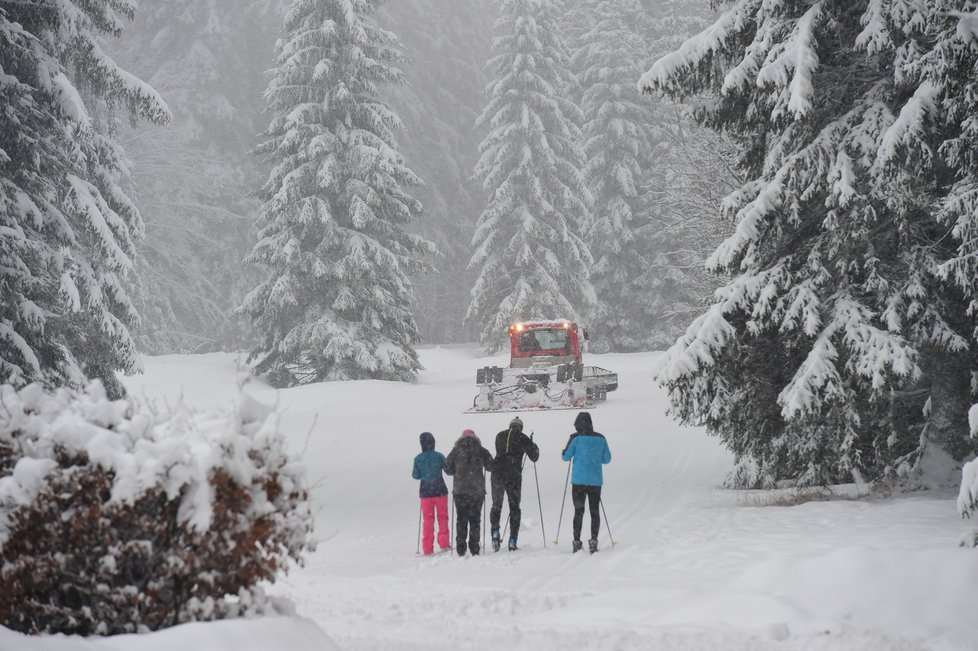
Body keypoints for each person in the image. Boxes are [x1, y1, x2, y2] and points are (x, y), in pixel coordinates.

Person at [561, 411, 611, 553]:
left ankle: (577, 541)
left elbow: (565, 457)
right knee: (594, 511)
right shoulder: (600, 438)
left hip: (578, 481)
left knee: (579, 511)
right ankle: (593, 540)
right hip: (595, 481)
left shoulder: (575, 438)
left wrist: (564, 452)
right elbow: (607, 459)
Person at [489, 416, 539, 551]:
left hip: (497, 473)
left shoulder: (500, 435)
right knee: (514, 507)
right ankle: (512, 540)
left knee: (496, 505)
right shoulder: (523, 438)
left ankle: (495, 532)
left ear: (510, 426)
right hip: (513, 475)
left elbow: (502, 451)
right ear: (520, 427)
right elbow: (534, 457)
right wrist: (533, 445)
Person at [444, 429, 494, 556]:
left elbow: (447, 467)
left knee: (461, 519)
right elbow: (490, 466)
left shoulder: (456, 450)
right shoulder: (480, 450)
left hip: (460, 491)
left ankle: (461, 548)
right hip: (477, 491)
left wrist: (456, 470)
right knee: (475, 519)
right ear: (475, 438)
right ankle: (474, 547)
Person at [412, 431, 451, 555]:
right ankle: (444, 544)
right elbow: (449, 471)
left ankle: (427, 548)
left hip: (425, 493)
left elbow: (415, 475)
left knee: (428, 520)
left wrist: (424, 472)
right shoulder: (439, 456)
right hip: (440, 491)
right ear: (433, 443)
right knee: (442, 518)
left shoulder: (418, 458)